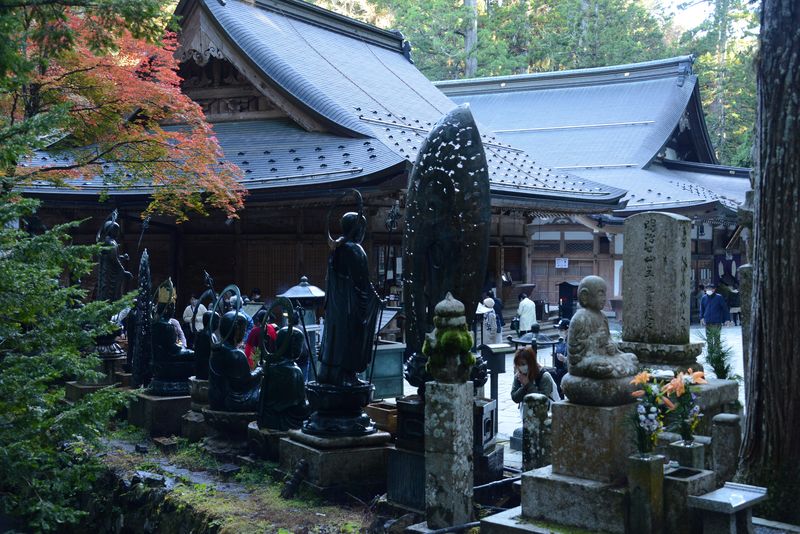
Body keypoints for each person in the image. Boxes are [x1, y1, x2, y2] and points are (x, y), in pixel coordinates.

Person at [318, 210, 382, 386]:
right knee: (352, 338)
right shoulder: (355, 249)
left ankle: (332, 373)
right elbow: (362, 284)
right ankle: (348, 375)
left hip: (336, 306)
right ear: (356, 229)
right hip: (351, 306)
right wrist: (375, 299)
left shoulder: (336, 249)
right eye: (362, 228)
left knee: (335, 338)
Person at [511, 347, 561, 414]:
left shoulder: (544, 376)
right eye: (518, 364)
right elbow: (515, 397)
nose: (521, 367)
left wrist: (528, 384)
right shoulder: (519, 376)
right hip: (528, 415)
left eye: (523, 364)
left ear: (531, 363)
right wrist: (524, 387)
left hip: (548, 414)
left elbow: (542, 401)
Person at [552, 318, 570, 395]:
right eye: (558, 329)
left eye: (561, 330)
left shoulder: (572, 341)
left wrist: (565, 359)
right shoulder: (561, 340)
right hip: (558, 370)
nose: (559, 332)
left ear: (568, 329)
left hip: (566, 372)